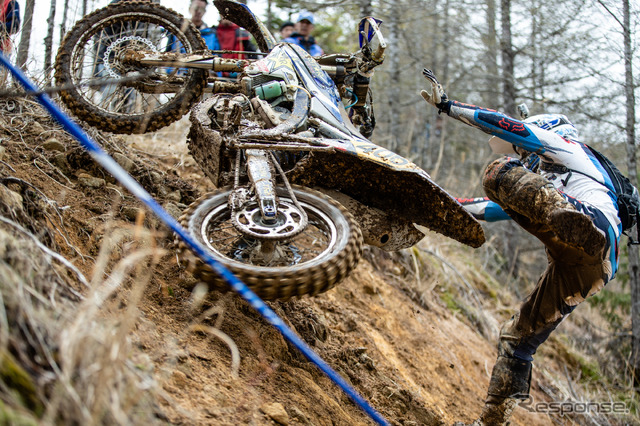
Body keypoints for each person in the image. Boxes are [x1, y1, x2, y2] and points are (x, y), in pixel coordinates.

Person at [419, 68, 620, 426]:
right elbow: (492, 209)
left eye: (530, 153)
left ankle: (576, 224)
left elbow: (510, 127)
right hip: (591, 267)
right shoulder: (551, 180)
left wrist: (450, 106)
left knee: (497, 170)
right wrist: (433, 202)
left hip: (592, 227)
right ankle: (491, 422)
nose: (527, 159)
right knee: (516, 340)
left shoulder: (569, 148)